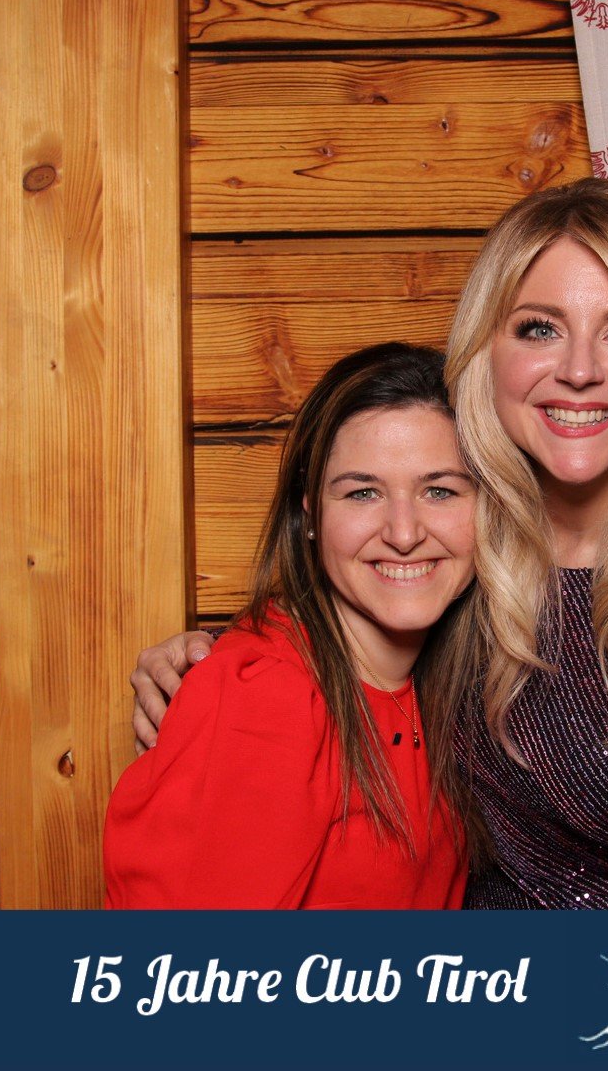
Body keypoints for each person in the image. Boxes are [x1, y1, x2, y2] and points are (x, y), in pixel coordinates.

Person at [132, 179, 608, 909]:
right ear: (486, 352)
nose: (580, 370)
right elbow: (355, 615)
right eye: (539, 329)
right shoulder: (473, 531)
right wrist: (215, 670)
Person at [104, 343, 476, 909]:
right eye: (363, 492)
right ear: (310, 514)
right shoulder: (267, 697)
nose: (404, 533)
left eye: (440, 491)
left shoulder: (449, 679)